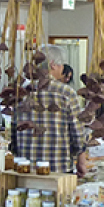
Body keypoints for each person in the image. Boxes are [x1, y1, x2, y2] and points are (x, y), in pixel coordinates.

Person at [16, 44, 86, 175]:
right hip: (59, 167)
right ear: (53, 64)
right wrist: (81, 161)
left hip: (25, 168)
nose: (63, 68)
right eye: (62, 65)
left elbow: (13, 130)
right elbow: (77, 132)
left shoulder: (22, 92)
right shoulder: (66, 92)